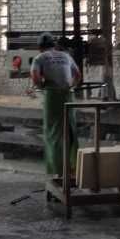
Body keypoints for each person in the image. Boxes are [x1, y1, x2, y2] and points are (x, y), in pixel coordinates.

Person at [30, 33, 81, 179]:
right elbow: (77, 75)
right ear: (54, 45)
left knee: (54, 133)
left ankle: (58, 171)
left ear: (40, 47)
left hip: (52, 97)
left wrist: (41, 87)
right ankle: (74, 169)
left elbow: (35, 76)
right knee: (70, 130)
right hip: (68, 96)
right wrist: (70, 87)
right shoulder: (66, 56)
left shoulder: (39, 58)